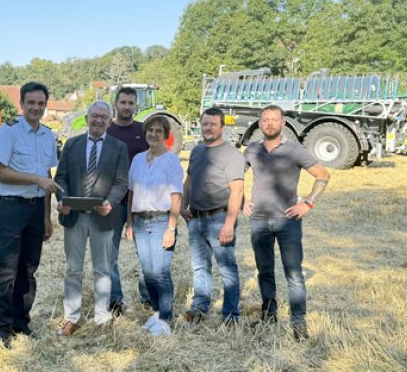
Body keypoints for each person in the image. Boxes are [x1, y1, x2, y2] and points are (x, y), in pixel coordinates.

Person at [243, 104, 331, 341]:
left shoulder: (295, 150)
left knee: (293, 274)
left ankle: (298, 321)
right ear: (260, 124)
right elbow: (235, 177)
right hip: (259, 220)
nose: (269, 123)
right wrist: (242, 200)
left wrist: (308, 203)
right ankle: (269, 315)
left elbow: (323, 175)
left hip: (288, 221)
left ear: (283, 123)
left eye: (274, 119)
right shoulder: (251, 150)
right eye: (265, 120)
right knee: (264, 271)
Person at [0, 81, 61, 347]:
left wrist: (46, 217)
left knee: (28, 269)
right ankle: (0, 327)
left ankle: (21, 322)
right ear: (22, 104)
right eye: (31, 102)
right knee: (7, 269)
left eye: (41, 103)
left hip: (35, 209)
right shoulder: (8, 132)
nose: (36, 108)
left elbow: (48, 179)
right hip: (10, 207)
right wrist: (33, 179)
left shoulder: (48, 135)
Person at [54, 101, 129, 336]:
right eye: (94, 116)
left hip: (104, 217)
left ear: (109, 120)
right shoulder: (72, 144)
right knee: (73, 269)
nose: (98, 120)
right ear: (86, 118)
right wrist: (63, 199)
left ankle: (101, 316)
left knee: (103, 269)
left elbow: (121, 183)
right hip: (74, 217)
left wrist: (111, 202)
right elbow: (61, 177)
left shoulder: (119, 147)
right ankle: (71, 317)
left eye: (103, 117)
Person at [181, 107, 244, 325]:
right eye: (204, 124)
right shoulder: (197, 151)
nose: (207, 128)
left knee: (227, 269)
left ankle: (230, 315)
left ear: (222, 127)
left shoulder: (232, 155)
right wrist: (182, 205)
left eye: (212, 124)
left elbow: (237, 190)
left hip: (219, 219)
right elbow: (189, 181)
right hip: (195, 219)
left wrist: (229, 224)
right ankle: (199, 308)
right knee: (200, 267)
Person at [125, 115, 183, 336]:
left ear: (166, 136)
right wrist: (129, 222)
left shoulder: (171, 161)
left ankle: (166, 319)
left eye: (158, 131)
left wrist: (171, 228)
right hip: (140, 221)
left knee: (161, 271)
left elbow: (176, 197)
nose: (153, 134)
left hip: (161, 221)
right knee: (148, 272)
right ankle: (157, 312)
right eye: (150, 130)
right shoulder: (138, 159)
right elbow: (132, 192)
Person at [105, 87, 151, 315]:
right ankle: (115, 301)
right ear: (115, 104)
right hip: (113, 203)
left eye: (131, 103)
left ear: (136, 106)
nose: (127, 107)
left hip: (141, 203)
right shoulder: (106, 130)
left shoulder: (144, 132)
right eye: (123, 102)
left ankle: (147, 299)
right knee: (109, 255)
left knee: (146, 255)